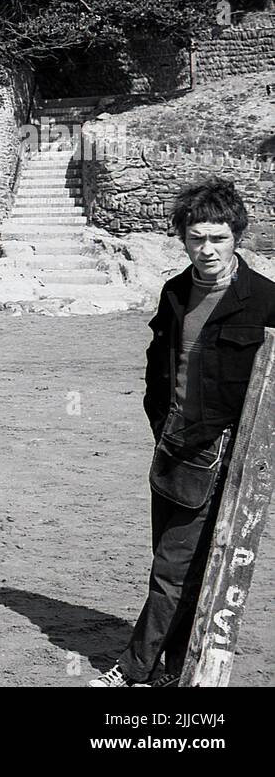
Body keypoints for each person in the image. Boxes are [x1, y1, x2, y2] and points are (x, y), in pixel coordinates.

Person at [90, 178, 275, 688]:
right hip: (171, 449)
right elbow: (158, 367)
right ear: (184, 238)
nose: (207, 248)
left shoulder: (265, 301)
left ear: (237, 236)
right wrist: (160, 423)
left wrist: (248, 453)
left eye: (218, 237)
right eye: (197, 238)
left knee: (172, 569)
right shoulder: (174, 291)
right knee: (173, 564)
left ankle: (131, 670)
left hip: (224, 458)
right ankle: (171, 669)